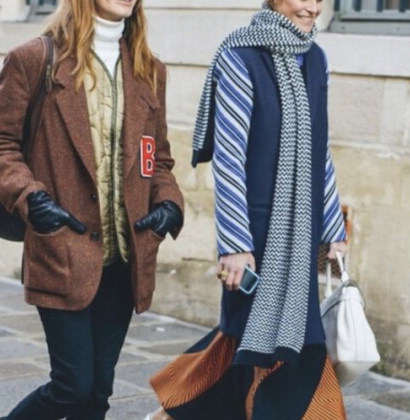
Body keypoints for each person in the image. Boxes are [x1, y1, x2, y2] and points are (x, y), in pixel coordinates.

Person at [0, 0, 184, 419]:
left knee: (97, 393)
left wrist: (169, 202)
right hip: (62, 249)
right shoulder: (34, 60)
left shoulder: (149, 70)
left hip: (126, 256)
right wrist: (31, 197)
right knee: (71, 387)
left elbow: (156, 158)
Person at [144, 0, 348, 419]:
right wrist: (236, 244)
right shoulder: (240, 55)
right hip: (254, 234)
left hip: (301, 231)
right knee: (252, 337)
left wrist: (333, 228)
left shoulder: (316, 59)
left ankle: (173, 414)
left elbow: (320, 151)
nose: (313, 8)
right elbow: (229, 157)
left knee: (266, 341)